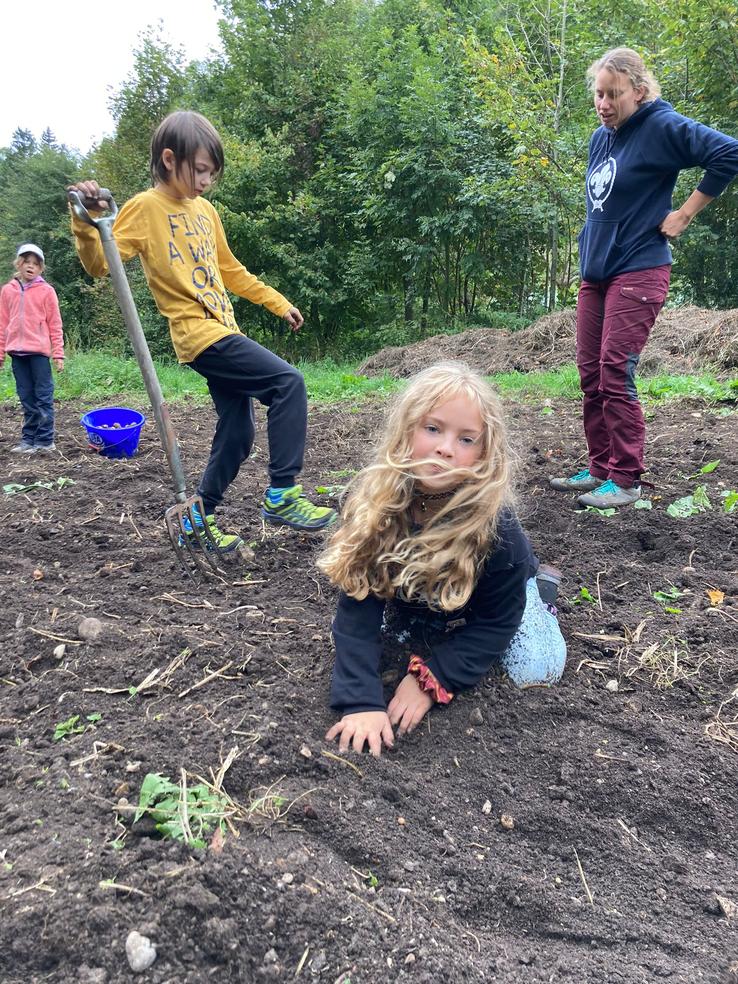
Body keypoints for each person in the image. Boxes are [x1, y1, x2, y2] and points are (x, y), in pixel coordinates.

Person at [69, 110, 335, 552]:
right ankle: (283, 492)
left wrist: (278, 302)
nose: (207, 180)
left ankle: (198, 519)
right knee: (287, 382)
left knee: (238, 432)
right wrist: (86, 221)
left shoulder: (206, 211)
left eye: (212, 172)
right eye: (201, 170)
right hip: (199, 336)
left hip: (222, 326)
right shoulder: (145, 208)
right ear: (170, 160)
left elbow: (231, 271)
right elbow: (101, 264)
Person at [318, 362, 566, 758]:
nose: (446, 448)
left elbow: (497, 622)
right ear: (404, 430)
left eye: (466, 440)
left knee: (536, 667)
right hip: (425, 594)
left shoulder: (497, 529)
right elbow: (358, 605)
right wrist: (361, 701)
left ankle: (541, 592)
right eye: (432, 429)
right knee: (402, 633)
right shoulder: (375, 506)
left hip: (496, 603)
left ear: (484, 455)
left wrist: (431, 678)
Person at [550, 47, 738, 508]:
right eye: (598, 94)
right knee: (591, 374)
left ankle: (627, 480)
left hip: (639, 267)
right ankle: (599, 468)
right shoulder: (601, 137)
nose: (604, 104)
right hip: (598, 271)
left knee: (616, 371)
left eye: (613, 95)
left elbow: (728, 154)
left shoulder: (661, 126)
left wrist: (685, 215)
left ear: (639, 90)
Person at [0, 244, 64, 453]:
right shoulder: (8, 290)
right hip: (17, 353)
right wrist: (1, 352)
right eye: (27, 262)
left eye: (35, 264)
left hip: (38, 353)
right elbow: (3, 323)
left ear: (41, 268)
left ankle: (45, 440)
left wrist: (58, 353)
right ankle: (28, 439)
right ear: (18, 263)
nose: (30, 266)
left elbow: (55, 323)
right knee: (26, 397)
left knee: (43, 396)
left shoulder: (46, 291)